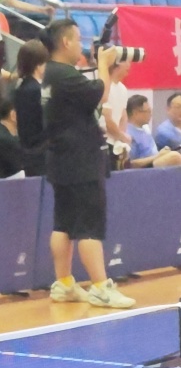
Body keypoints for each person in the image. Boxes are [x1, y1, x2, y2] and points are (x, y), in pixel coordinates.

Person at [43, 18, 134, 308]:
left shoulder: (49, 73)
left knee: (64, 224)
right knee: (89, 226)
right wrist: (104, 63)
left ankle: (64, 284)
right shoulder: (66, 75)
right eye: (78, 38)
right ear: (66, 42)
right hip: (81, 160)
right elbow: (101, 93)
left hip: (61, 158)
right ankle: (100, 287)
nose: (81, 44)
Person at [13, 38, 49, 177]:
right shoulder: (37, 90)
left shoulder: (20, 88)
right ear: (38, 65)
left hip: (27, 151)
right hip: (40, 153)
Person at [125, 95, 181, 169]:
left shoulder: (145, 129)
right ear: (135, 113)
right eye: (148, 111)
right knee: (174, 156)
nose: (150, 114)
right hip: (146, 169)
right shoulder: (128, 134)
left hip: (155, 162)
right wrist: (158, 156)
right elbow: (131, 164)